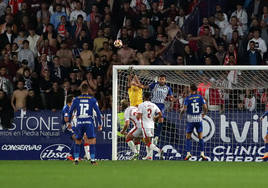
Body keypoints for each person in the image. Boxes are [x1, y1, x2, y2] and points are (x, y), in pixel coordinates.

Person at [68, 84, 102, 165]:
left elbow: (70, 111)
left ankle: (76, 160)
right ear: (88, 90)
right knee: (92, 141)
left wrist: (69, 122)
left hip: (79, 122)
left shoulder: (76, 99)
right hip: (89, 122)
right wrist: (100, 123)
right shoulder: (92, 99)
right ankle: (92, 161)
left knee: (78, 141)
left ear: (81, 90)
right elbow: (98, 112)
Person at [179, 84, 208, 161]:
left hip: (191, 120)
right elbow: (205, 107)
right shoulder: (200, 97)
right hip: (198, 119)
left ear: (191, 89)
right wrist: (204, 114)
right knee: (200, 137)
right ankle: (202, 153)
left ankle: (188, 153)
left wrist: (180, 114)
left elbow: (184, 109)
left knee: (188, 137)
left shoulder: (187, 98)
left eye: (189, 88)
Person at [143, 75, 174, 145]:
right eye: (160, 79)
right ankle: (150, 135)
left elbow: (171, 97)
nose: (161, 80)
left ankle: (157, 136)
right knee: (150, 120)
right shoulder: (154, 85)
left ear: (165, 80)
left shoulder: (168, 88)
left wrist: (172, 99)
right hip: (153, 104)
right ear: (158, 80)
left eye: (163, 79)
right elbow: (145, 86)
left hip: (161, 105)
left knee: (161, 121)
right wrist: (138, 84)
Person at [136, 92, 163, 160]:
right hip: (152, 125)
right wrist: (155, 118)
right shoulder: (153, 105)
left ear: (143, 97)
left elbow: (138, 116)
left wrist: (137, 114)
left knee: (147, 142)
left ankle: (159, 150)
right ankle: (148, 156)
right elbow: (161, 114)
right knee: (149, 141)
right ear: (149, 97)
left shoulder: (141, 105)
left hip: (145, 125)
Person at [61, 94, 76, 161]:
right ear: (71, 100)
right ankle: (70, 155)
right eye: (74, 99)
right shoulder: (66, 108)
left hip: (72, 125)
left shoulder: (72, 107)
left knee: (79, 139)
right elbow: (66, 119)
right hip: (67, 126)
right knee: (76, 138)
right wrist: (73, 117)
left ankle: (74, 155)